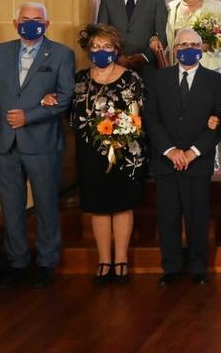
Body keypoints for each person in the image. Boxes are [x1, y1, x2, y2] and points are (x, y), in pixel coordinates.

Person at [0, 2, 75, 288]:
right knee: (11, 207)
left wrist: (30, 115)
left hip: (43, 143)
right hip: (4, 145)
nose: (31, 24)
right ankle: (17, 261)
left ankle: (47, 261)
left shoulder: (62, 54)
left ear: (47, 24)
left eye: (37, 20)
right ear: (15, 23)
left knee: (46, 204)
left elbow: (64, 97)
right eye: (25, 19)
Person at [145, 28, 221, 286]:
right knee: (168, 216)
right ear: (175, 49)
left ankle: (197, 267)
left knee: (197, 216)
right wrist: (171, 151)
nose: (188, 48)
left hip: (197, 161)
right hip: (165, 160)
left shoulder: (215, 81)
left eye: (194, 44)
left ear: (202, 48)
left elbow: (218, 122)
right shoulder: (159, 79)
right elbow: (152, 118)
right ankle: (170, 267)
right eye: (183, 44)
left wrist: (192, 152)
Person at [73, 23, 146, 286]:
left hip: (125, 153)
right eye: (95, 46)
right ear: (88, 49)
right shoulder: (80, 79)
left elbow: (140, 117)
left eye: (106, 46)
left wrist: (120, 131)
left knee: (121, 205)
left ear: (116, 50)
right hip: (90, 153)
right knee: (99, 208)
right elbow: (72, 114)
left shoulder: (131, 78)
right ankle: (104, 261)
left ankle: (121, 260)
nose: (101, 51)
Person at [96, 0, 168, 80]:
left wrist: (144, 57)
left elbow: (163, 35)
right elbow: (102, 34)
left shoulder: (157, 0)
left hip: (148, 68)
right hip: (116, 66)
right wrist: (117, 57)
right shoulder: (107, 0)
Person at [164, 0, 221, 72]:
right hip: (178, 66)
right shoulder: (171, 7)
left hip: (208, 66)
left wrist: (207, 46)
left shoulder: (215, 5)